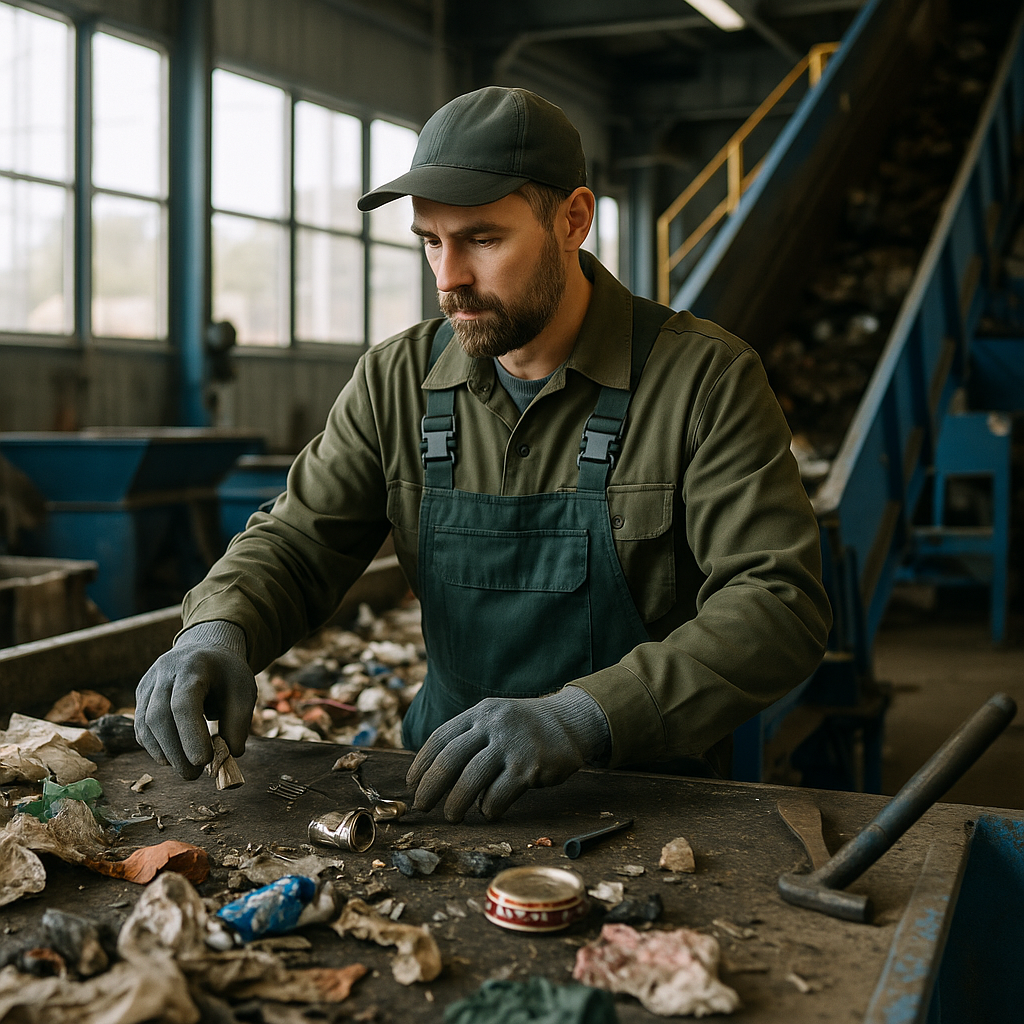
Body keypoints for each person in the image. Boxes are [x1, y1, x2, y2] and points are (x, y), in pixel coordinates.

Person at [135, 86, 832, 822]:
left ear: (574, 220)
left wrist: (585, 716)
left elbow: (777, 602)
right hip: (439, 786)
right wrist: (218, 626)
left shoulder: (704, 379)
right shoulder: (395, 380)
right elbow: (299, 540)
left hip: (646, 798)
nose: (447, 277)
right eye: (431, 241)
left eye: (483, 239)